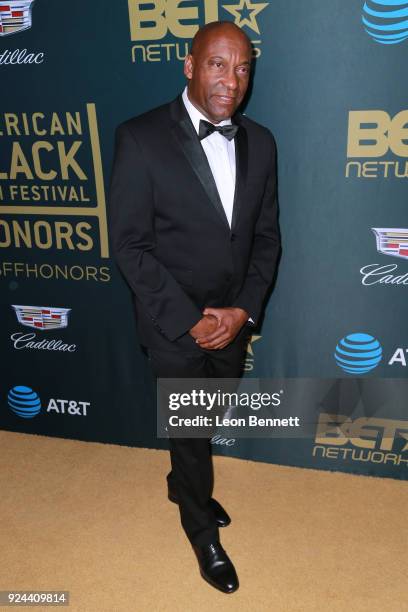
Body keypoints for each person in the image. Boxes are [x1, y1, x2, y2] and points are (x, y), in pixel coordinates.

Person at [109, 20, 280, 594]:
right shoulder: (140, 137)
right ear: (189, 65)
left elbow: (266, 239)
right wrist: (189, 319)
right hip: (172, 323)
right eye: (216, 63)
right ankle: (199, 523)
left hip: (233, 320)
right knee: (188, 426)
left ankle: (184, 483)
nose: (231, 79)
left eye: (242, 68)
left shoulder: (262, 141)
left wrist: (243, 311)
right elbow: (130, 246)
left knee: (208, 416)